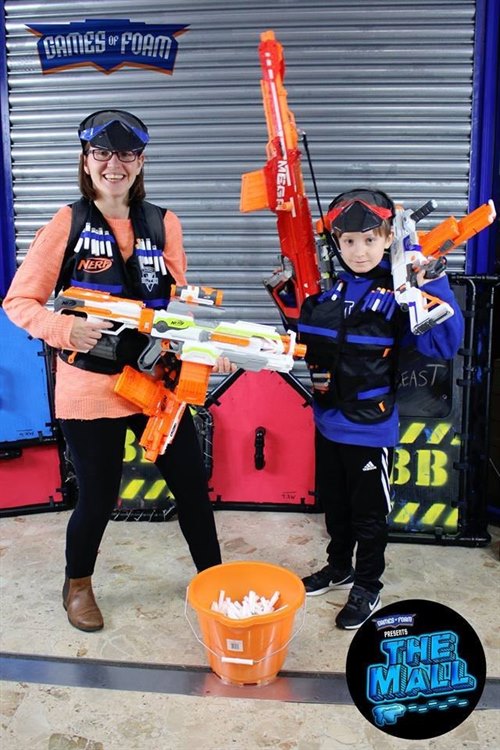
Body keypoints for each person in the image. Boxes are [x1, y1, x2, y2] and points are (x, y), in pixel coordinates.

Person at [3, 109, 229, 633]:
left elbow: (178, 309)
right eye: (102, 154)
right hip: (90, 387)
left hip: (157, 384)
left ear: (140, 162)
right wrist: (64, 331)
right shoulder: (68, 223)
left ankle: (215, 581)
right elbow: (20, 301)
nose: (114, 164)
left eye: (126, 155)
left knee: (193, 486)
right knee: (100, 496)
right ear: (87, 160)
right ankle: (77, 585)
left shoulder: (162, 223)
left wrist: (199, 348)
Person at [297, 188, 464, 630]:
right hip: (327, 421)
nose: (359, 250)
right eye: (348, 241)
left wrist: (431, 284)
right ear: (335, 243)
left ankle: (368, 584)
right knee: (334, 507)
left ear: (388, 238)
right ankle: (339, 566)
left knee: (369, 517)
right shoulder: (326, 293)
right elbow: (304, 344)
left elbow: (444, 344)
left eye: (370, 239)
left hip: (371, 430)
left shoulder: (400, 294)